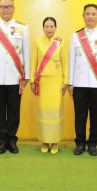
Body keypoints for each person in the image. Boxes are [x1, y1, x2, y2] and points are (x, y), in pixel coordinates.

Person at [0, 0, 30, 154]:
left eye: (9, 7)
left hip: (15, 76)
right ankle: (1, 141)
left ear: (14, 8)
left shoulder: (22, 27)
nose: (6, 9)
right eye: (3, 7)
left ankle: (12, 140)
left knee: (15, 110)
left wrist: (27, 74)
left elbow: (26, 51)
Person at [68, 4, 97, 156]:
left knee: (96, 116)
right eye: (87, 14)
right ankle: (80, 143)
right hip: (79, 83)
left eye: (93, 14)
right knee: (80, 115)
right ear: (83, 16)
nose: (90, 17)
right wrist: (71, 83)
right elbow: (71, 61)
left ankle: (93, 143)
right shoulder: (76, 36)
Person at [30, 17, 69, 155]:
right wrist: (32, 81)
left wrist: (66, 82)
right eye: (47, 26)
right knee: (44, 112)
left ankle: (55, 141)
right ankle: (45, 141)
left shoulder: (61, 42)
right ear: (43, 28)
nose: (49, 29)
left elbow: (66, 62)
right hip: (42, 82)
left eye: (52, 26)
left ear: (55, 28)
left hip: (57, 81)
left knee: (56, 112)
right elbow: (33, 62)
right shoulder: (37, 42)